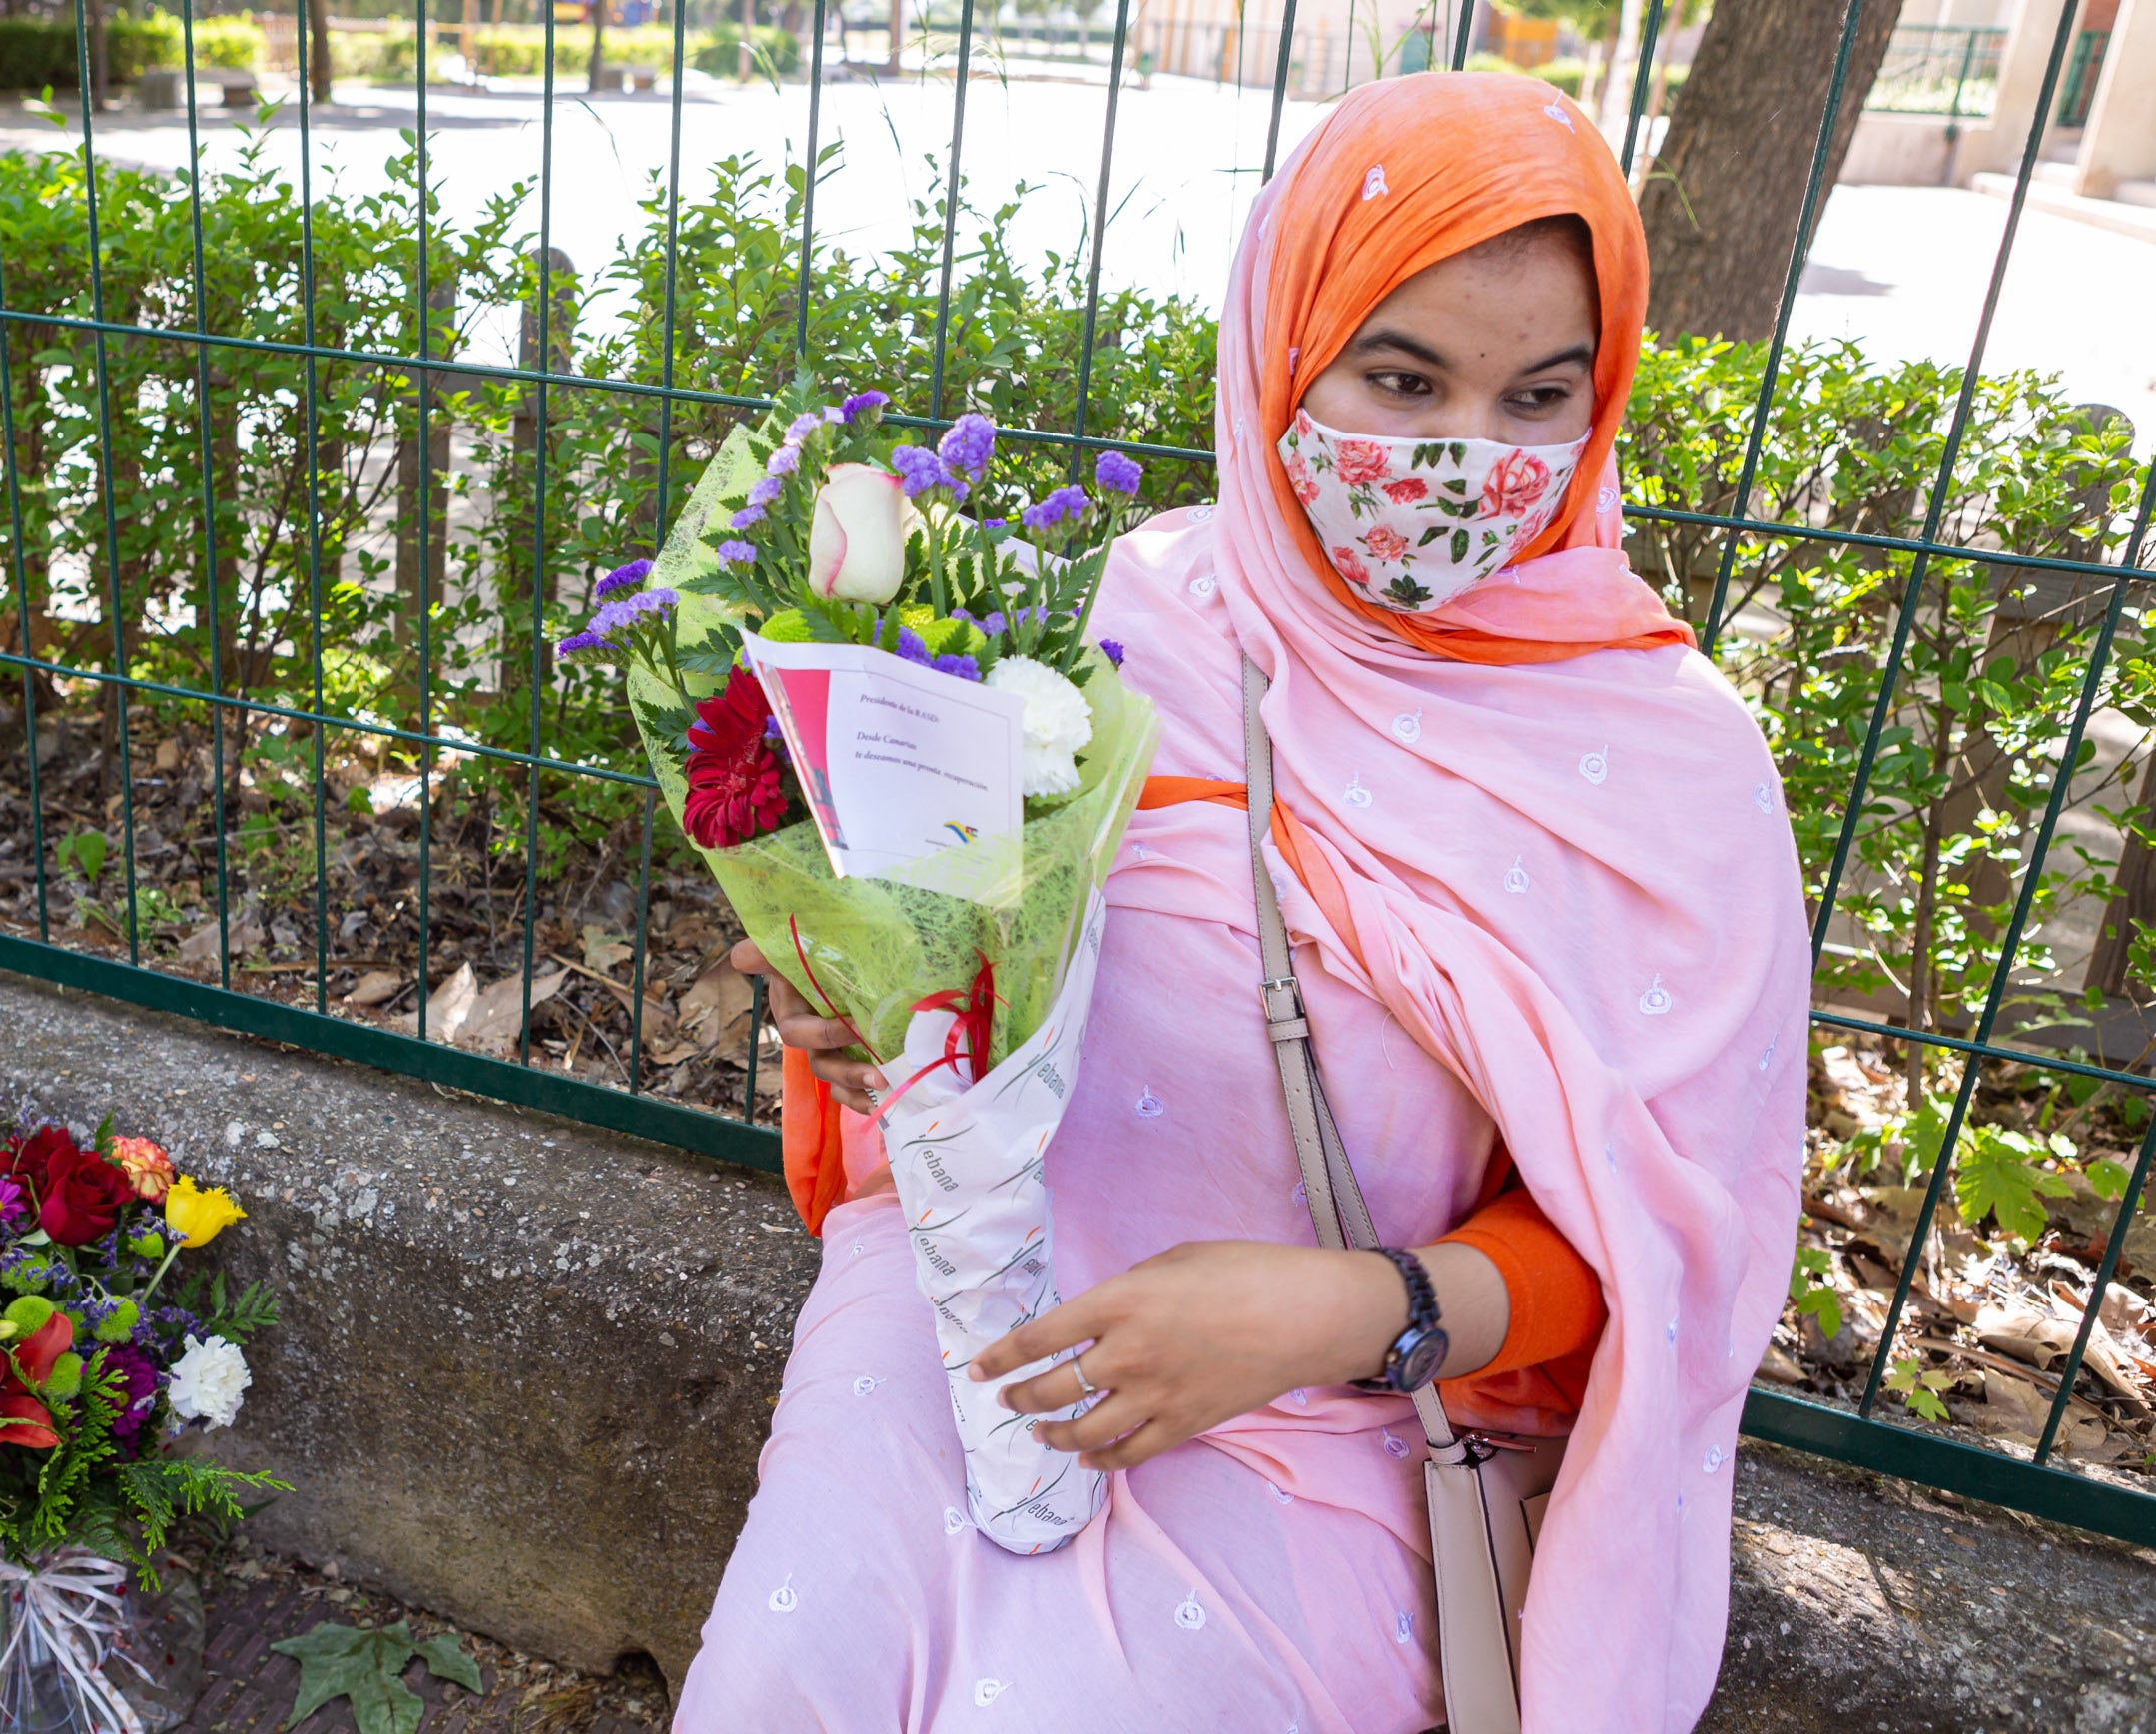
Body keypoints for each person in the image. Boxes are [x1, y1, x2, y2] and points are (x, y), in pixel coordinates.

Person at [677, 72, 1809, 1732]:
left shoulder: (1667, 772)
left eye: (1535, 396)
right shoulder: (1134, 622)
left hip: (1359, 1419)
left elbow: (1669, 1254)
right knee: (784, 1685)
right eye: (1402, 376)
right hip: (984, 1318)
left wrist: (1347, 1311)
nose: (1461, 460)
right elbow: (961, 978)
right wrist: (860, 1012)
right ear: (1287, 348)